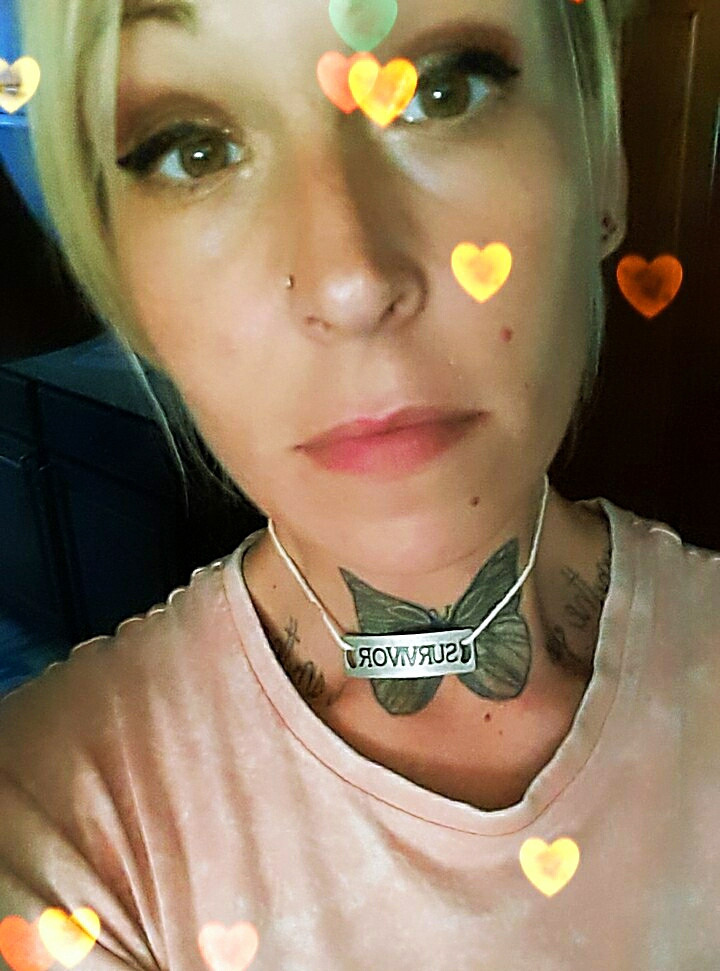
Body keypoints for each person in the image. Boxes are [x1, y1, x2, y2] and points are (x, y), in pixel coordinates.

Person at [1, 0, 718, 967]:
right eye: (193, 150)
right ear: (125, 274)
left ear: (602, 155)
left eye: (442, 89)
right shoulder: (49, 834)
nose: (350, 280)